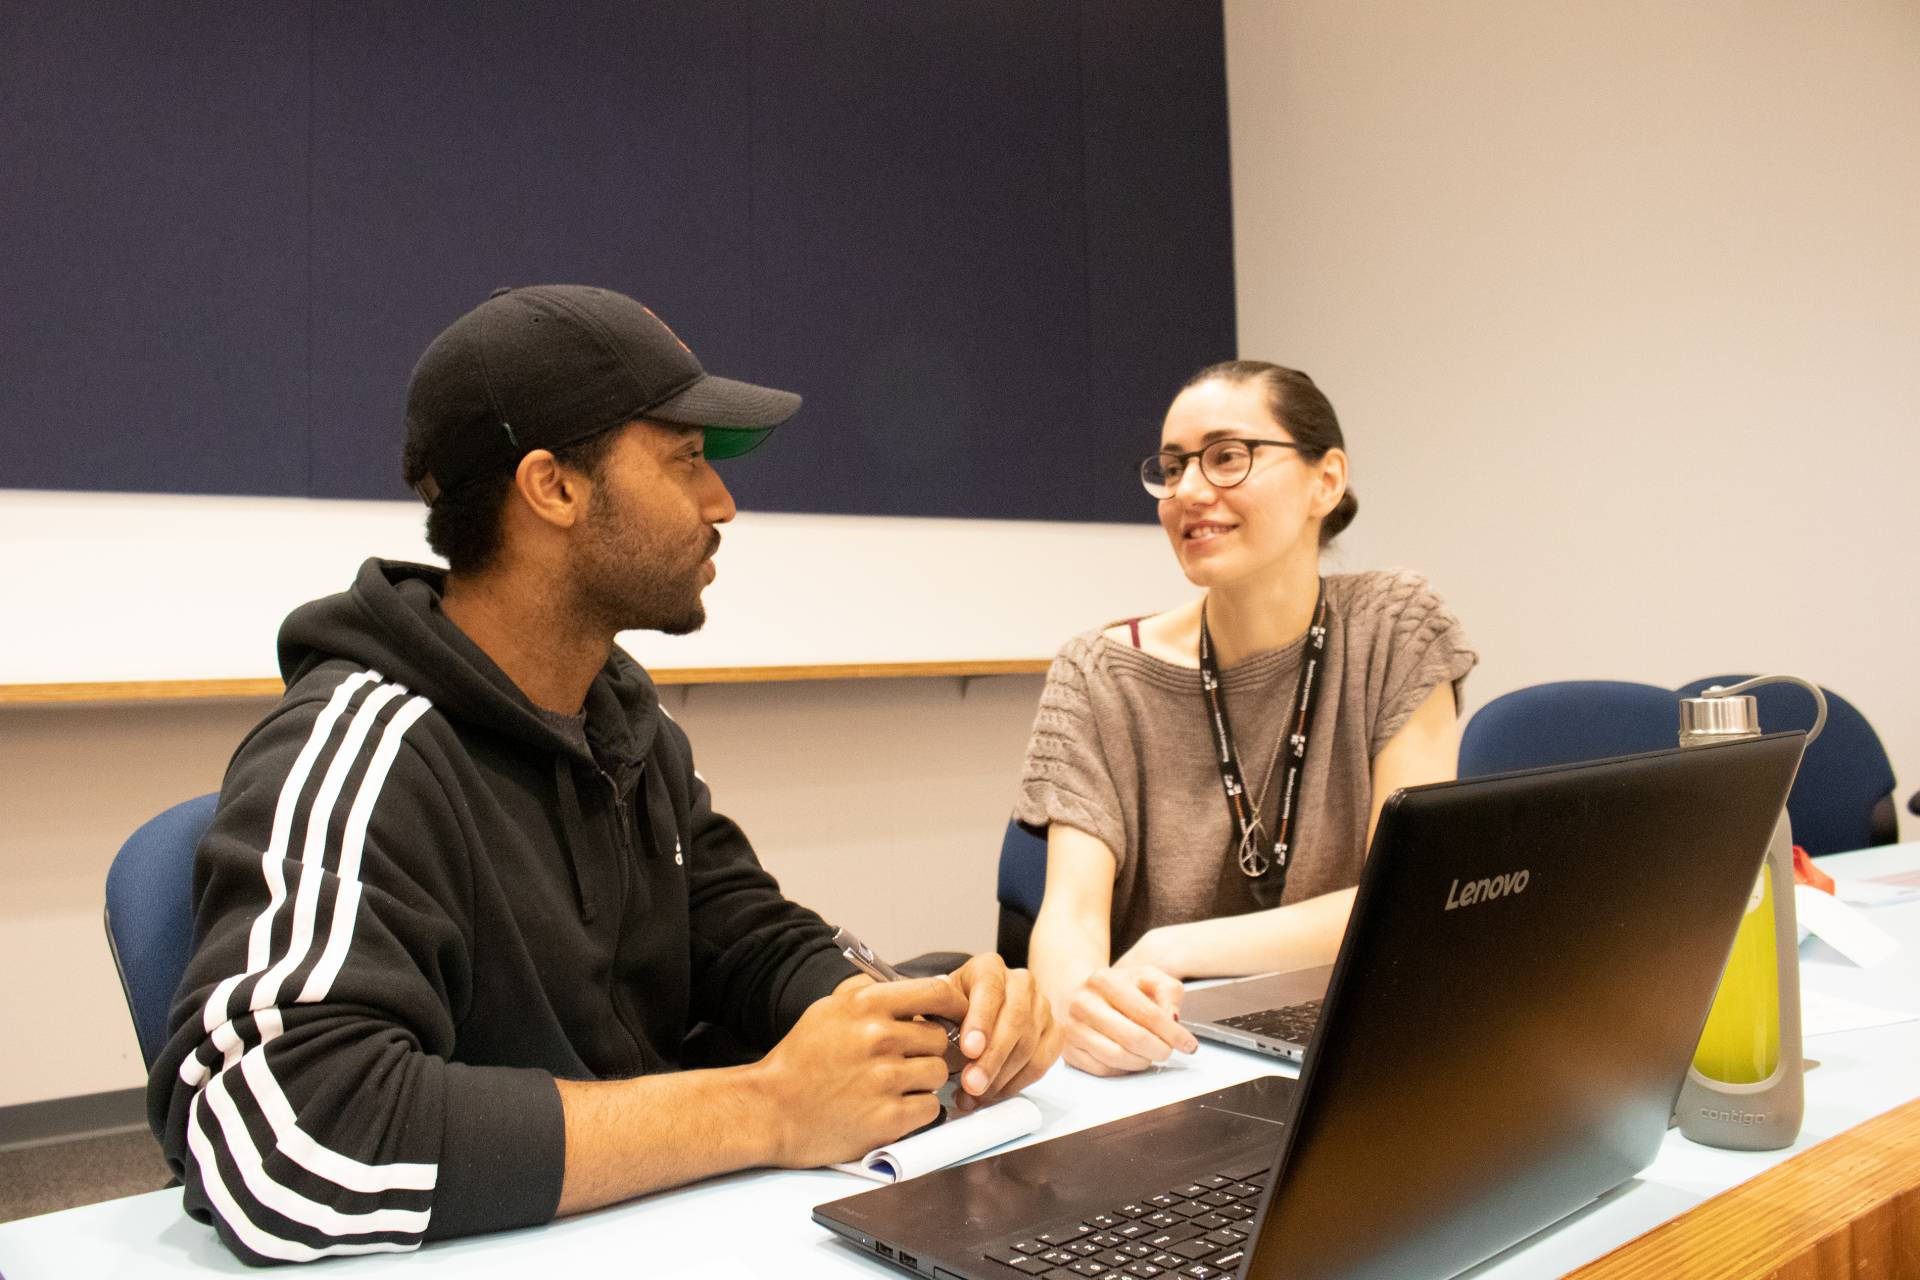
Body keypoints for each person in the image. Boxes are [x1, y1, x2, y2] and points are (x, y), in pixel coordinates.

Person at [149, 284, 1060, 1264]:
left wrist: (913, 1025)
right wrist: (764, 1108)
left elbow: (747, 939)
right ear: (553, 487)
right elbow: (279, 1135)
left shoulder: (626, 724)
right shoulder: (359, 746)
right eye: (685, 460)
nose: (723, 503)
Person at [1015, 360, 1475, 1077]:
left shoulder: (1396, 626)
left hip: (1359, 1043)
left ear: (1325, 480)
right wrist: (1084, 1010)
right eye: (1172, 468)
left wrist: (1175, 946)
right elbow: (1071, 917)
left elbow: (1404, 899)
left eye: (1228, 457)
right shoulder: (1097, 672)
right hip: (1168, 1056)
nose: (1189, 491)